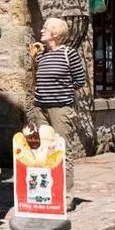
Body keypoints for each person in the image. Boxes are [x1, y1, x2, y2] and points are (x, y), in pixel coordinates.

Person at [28, 17, 87, 211]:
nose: (42, 30)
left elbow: (80, 81)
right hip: (41, 108)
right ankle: (46, 193)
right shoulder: (41, 54)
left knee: (62, 150)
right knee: (43, 151)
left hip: (60, 109)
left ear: (55, 33)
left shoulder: (69, 54)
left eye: (45, 28)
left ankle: (66, 196)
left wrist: (61, 92)